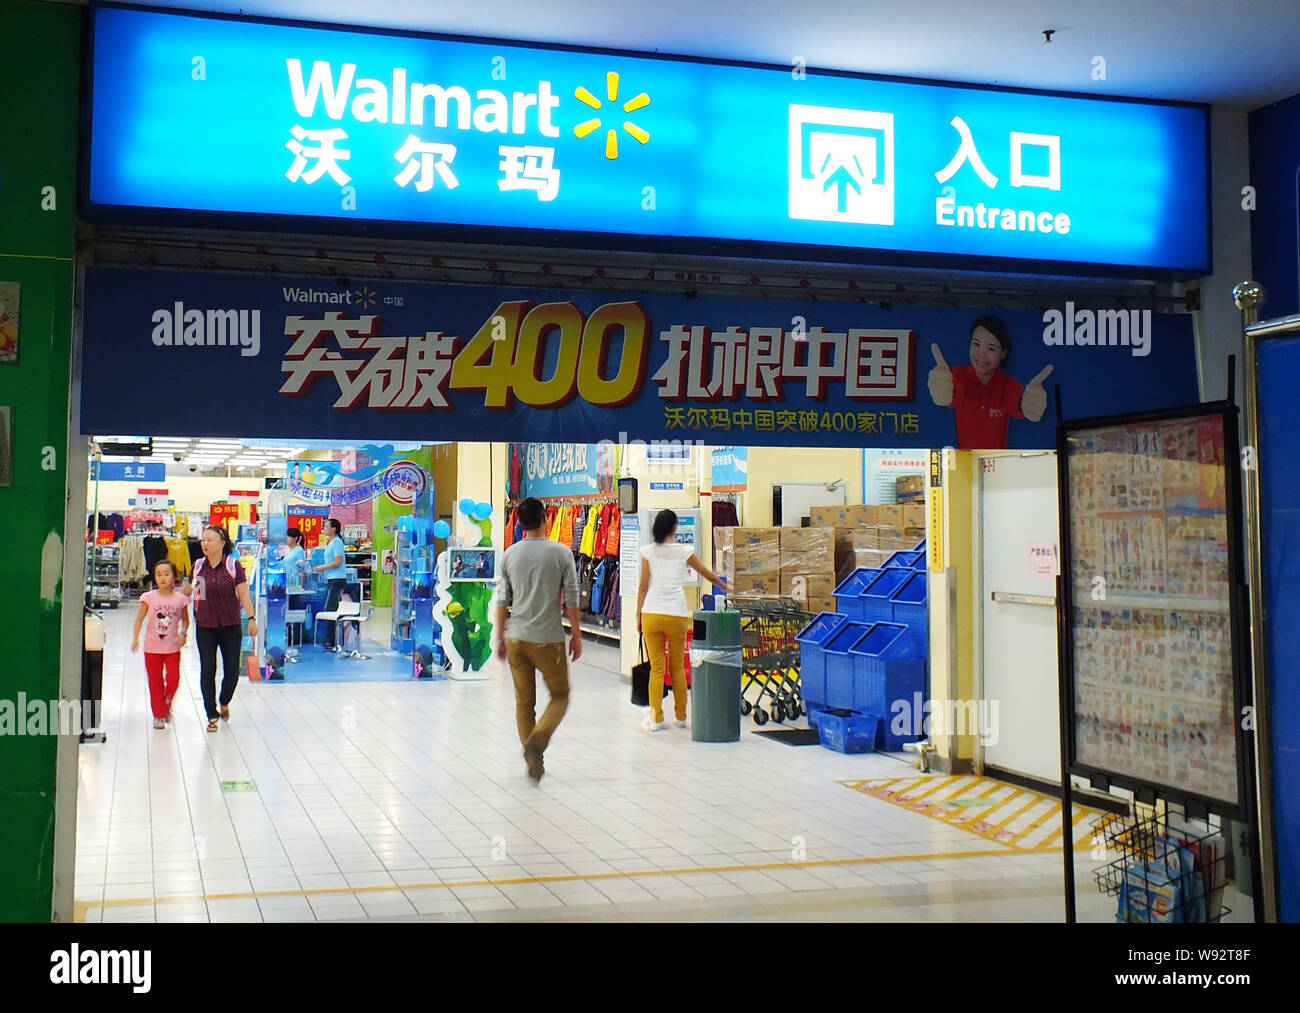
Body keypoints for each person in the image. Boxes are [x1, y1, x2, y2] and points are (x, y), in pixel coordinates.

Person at [494, 496, 581, 783]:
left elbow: (502, 600)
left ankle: (533, 756)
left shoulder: (509, 555)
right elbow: (571, 598)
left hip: (517, 638)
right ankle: (537, 742)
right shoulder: (561, 553)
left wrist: (500, 637)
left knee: (523, 703)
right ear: (546, 518)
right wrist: (576, 636)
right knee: (560, 695)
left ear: (518, 522)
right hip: (548, 639)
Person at [636, 509, 729, 732]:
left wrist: (638, 615)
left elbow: (643, 586)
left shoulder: (648, 551)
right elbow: (708, 573)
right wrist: (724, 585)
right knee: (677, 668)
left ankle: (656, 718)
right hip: (676, 613)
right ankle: (680, 717)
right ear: (675, 528)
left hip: (651, 613)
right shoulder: (684, 551)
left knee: (657, 668)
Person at [926, 315, 1053, 449]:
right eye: (976, 344)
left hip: (998, 466)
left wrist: (1029, 404)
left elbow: (1017, 401)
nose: (981, 355)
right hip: (962, 463)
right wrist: (941, 388)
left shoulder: (1007, 385)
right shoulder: (958, 376)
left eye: (991, 348)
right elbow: (953, 391)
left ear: (1003, 353)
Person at [185, 525, 257, 733]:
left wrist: (252, 619)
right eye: (203, 540)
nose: (205, 544)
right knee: (207, 670)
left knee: (232, 671)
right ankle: (211, 714)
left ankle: (224, 700)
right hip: (205, 625)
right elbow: (193, 592)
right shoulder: (198, 566)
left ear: (222, 543)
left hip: (230, 624)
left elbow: (244, 595)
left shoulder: (233, 566)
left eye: (210, 540)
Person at [131, 559, 190, 730]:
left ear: (174, 577)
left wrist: (183, 633)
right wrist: (135, 638)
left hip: (172, 647)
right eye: (158, 574)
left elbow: (185, 620)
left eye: (166, 574)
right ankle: (159, 714)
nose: (162, 578)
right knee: (155, 682)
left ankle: (167, 703)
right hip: (152, 647)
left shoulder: (181, 599)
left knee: (173, 679)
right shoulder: (148, 597)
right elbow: (140, 619)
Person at [312, 517, 348, 651]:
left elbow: (338, 562)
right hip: (332, 579)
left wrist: (323, 567)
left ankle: (331, 640)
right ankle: (334, 639)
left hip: (337, 580)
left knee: (330, 608)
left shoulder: (337, 542)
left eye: (327, 526)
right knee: (333, 608)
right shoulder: (331, 543)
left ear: (334, 528)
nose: (325, 529)